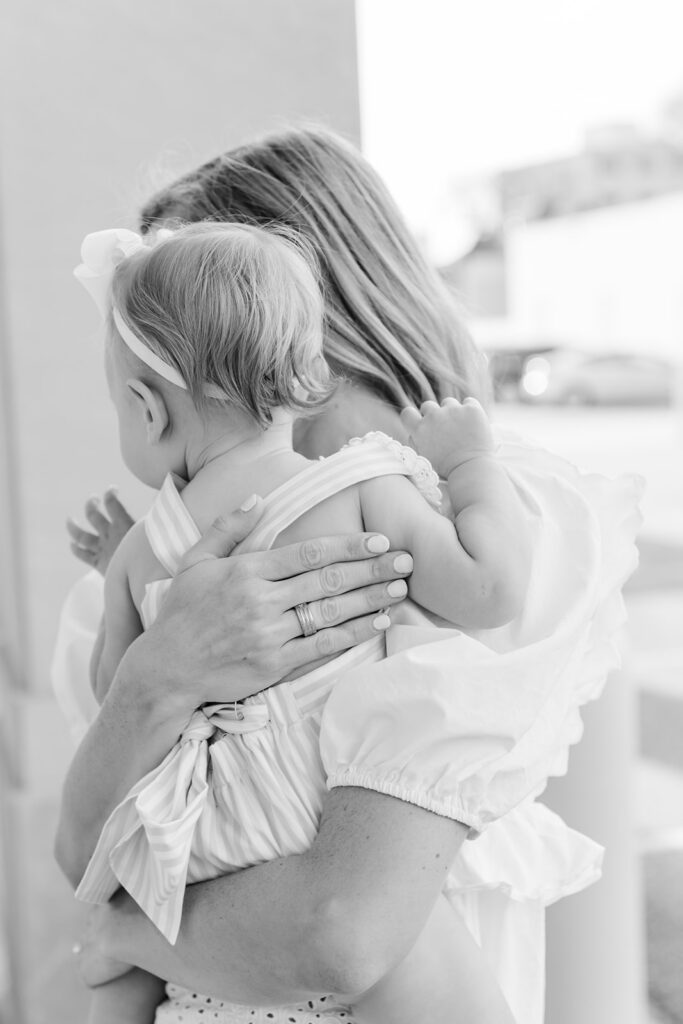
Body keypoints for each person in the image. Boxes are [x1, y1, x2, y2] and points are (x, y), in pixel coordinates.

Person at [54, 126, 641, 1024]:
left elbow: (336, 932)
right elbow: (79, 849)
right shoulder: (162, 560)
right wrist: (158, 674)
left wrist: (130, 931)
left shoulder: (475, 501)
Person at [70, 218, 528, 1023]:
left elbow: (116, 696)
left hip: (213, 908)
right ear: (305, 371)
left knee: (108, 970)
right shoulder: (361, 489)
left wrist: (129, 583)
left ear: (146, 411)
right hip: (336, 878)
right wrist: (469, 464)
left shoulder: (145, 553)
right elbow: (490, 591)